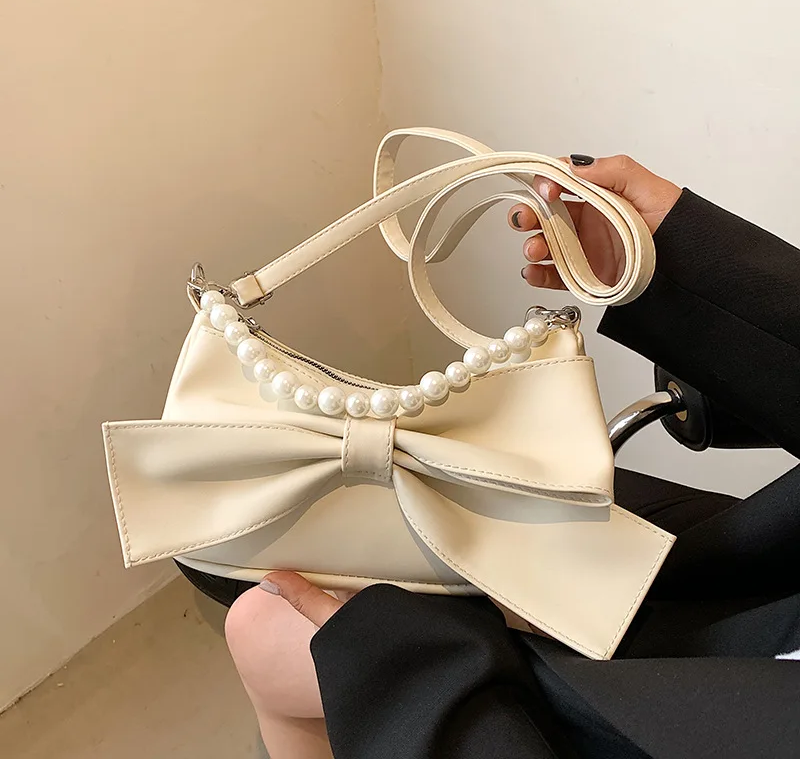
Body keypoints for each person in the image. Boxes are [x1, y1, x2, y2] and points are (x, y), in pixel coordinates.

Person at [224, 154, 800, 759]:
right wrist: (687, 262)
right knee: (260, 574)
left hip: (659, 707)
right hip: (755, 569)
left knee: (264, 623)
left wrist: (404, 671)